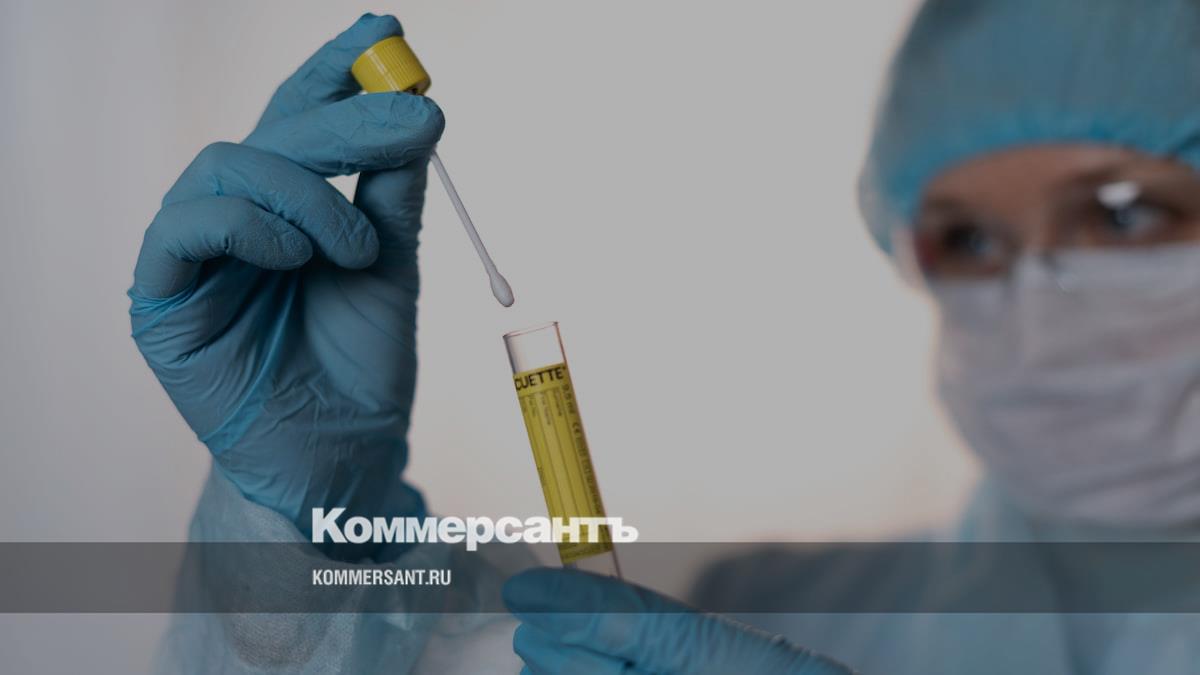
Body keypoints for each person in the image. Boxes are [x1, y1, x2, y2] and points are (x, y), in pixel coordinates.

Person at [131, 2, 1200, 674]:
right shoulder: (762, 618)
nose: (1035, 296)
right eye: (968, 238)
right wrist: (314, 533)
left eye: (1122, 215)